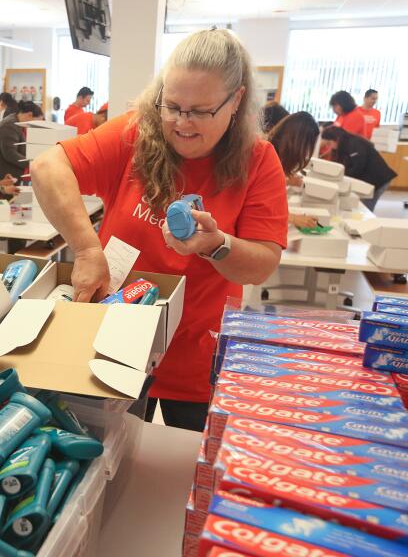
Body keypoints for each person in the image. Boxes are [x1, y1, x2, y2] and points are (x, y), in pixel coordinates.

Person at [31, 29, 288, 432]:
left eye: (200, 111)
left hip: (197, 353)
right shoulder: (135, 134)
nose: (181, 123)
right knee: (106, 466)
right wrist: (85, 249)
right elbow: (48, 169)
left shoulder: (257, 161)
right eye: (171, 105)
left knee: (184, 472)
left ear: (236, 100)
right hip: (116, 345)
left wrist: (217, 246)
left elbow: (261, 265)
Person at [320, 125, 396, 211]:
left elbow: (358, 167)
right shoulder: (344, 145)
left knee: (365, 208)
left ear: (337, 138)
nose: (330, 147)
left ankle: (367, 223)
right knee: (360, 206)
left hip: (378, 179)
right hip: (368, 179)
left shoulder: (354, 143)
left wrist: (340, 177)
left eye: (329, 144)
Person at [267, 112, 321, 228]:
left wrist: (286, 181)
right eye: (308, 146)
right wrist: (293, 218)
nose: (306, 152)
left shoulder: (273, 152)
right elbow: (260, 207)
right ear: (299, 142)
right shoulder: (267, 157)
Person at [0, 101, 44, 181]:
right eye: (36, 122)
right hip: (6, 173)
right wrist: (32, 163)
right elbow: (10, 154)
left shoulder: (15, 120)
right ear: (29, 115)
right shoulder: (10, 126)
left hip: (10, 172)